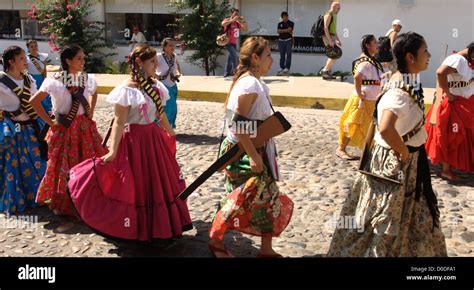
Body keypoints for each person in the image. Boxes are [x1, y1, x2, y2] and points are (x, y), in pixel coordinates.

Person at [327, 32, 447, 257]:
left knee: (408, 214)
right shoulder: (399, 93)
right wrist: (403, 152)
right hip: (398, 162)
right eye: (425, 52)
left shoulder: (405, 81)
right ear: (410, 57)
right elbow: (385, 128)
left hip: (410, 162)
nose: (429, 56)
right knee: (384, 219)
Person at [68, 44, 192, 241]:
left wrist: (170, 133)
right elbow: (119, 122)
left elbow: (161, 115)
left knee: (158, 182)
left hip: (154, 139)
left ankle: (161, 224)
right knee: (137, 184)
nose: (155, 64)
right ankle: (136, 226)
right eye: (151, 61)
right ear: (139, 63)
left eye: (155, 61)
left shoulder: (156, 86)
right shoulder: (126, 90)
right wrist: (113, 151)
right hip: (134, 142)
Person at [208, 36, 294, 258]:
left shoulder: (255, 82)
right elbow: (237, 123)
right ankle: (215, 240)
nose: (272, 61)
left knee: (268, 198)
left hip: (258, 147)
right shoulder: (248, 83)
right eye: (268, 56)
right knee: (239, 199)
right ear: (255, 58)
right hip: (244, 151)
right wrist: (254, 155)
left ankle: (266, 249)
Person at [30, 44, 108, 232]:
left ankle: (87, 199)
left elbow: (94, 93)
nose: (83, 61)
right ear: (68, 61)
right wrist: (49, 121)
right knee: (63, 166)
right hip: (64, 129)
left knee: (88, 163)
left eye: (83, 57)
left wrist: (90, 111)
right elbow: (34, 101)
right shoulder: (54, 81)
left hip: (84, 128)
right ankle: (65, 202)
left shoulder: (87, 79)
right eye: (79, 58)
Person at [0, 46, 47, 214]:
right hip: (12, 130)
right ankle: (17, 199)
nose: (25, 61)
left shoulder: (29, 80)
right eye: (21, 58)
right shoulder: (1, 81)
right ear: (11, 61)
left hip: (31, 128)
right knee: (14, 166)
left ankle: (37, 196)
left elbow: (37, 103)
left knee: (36, 162)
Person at [425, 43, 474, 180]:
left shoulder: (465, 61)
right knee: (451, 136)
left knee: (461, 136)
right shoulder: (457, 59)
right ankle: (446, 170)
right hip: (453, 103)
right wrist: (447, 93)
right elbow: (440, 73)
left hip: (465, 102)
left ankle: (454, 165)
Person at [336, 34, 383, 160]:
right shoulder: (365, 62)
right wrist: (359, 92)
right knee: (353, 123)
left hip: (371, 99)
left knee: (368, 125)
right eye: (374, 42)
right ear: (367, 45)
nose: (377, 44)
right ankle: (341, 148)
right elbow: (357, 77)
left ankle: (369, 151)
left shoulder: (372, 61)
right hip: (362, 99)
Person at [155, 38, 182, 129]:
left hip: (173, 85)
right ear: (164, 47)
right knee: (170, 107)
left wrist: (178, 73)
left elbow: (177, 66)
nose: (172, 47)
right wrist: (155, 75)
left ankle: (166, 126)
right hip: (163, 85)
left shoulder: (174, 56)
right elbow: (150, 66)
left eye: (173, 45)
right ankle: (164, 126)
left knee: (172, 107)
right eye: (170, 45)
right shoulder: (159, 56)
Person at [26, 39, 53, 114]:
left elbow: (44, 69)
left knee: (44, 94)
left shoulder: (42, 56)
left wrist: (45, 78)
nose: (34, 47)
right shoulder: (26, 58)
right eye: (31, 46)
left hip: (41, 78)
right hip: (32, 79)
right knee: (35, 95)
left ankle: (48, 110)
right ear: (28, 48)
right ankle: (39, 111)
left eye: (35, 45)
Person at [221, 8, 248, 80]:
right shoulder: (227, 20)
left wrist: (242, 21)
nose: (236, 15)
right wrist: (232, 20)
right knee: (235, 57)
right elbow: (223, 24)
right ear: (231, 14)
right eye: (235, 13)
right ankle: (235, 74)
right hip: (227, 42)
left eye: (237, 14)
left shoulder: (237, 23)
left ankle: (226, 75)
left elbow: (245, 29)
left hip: (234, 43)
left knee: (230, 59)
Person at [320, 1, 342, 80]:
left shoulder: (334, 15)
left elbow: (334, 30)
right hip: (327, 37)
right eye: (338, 8)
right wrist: (330, 40)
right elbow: (325, 28)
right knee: (334, 54)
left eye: (339, 8)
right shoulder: (328, 14)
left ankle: (326, 70)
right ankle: (325, 70)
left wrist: (337, 40)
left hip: (332, 36)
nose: (339, 9)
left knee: (335, 54)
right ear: (334, 7)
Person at [277, 12, 294, 76]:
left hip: (288, 41)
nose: (285, 18)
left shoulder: (291, 23)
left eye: (286, 16)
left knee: (289, 55)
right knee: (282, 55)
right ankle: (282, 67)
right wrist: (286, 30)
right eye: (284, 17)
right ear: (282, 17)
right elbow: (278, 31)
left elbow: (290, 30)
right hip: (281, 41)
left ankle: (287, 68)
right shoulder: (280, 23)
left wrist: (282, 30)